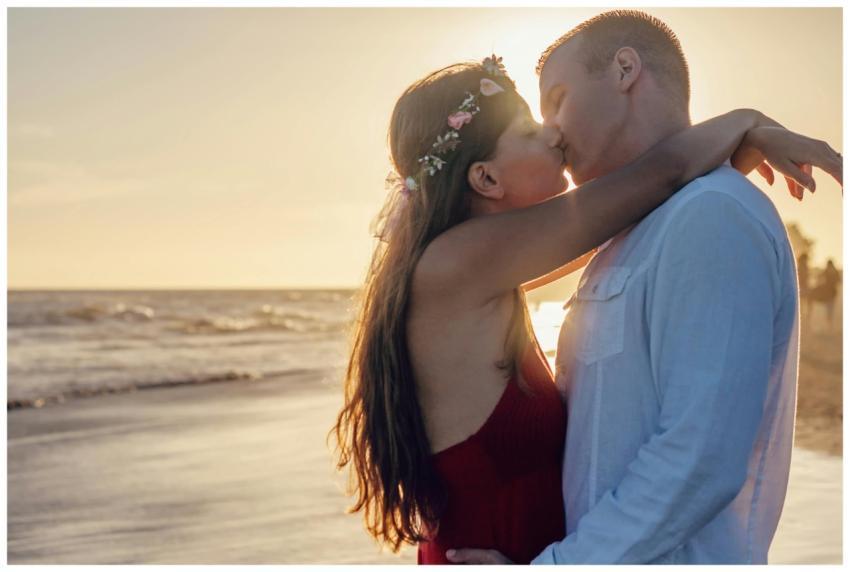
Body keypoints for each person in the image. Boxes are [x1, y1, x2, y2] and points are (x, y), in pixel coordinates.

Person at [330, 55, 841, 564]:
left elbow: (637, 212)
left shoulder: (470, 266)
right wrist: (747, 120)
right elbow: (659, 176)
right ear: (486, 179)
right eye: (528, 130)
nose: (552, 133)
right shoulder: (457, 262)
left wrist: (727, 158)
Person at [810, 258, 842, 330]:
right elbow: (838, 281)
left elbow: (819, 277)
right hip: (829, 294)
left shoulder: (830, 271)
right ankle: (829, 325)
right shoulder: (833, 272)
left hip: (830, 294)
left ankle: (829, 325)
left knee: (829, 309)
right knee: (829, 309)